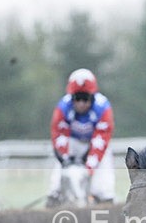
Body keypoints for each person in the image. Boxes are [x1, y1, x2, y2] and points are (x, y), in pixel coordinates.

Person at [47, 68, 115, 206]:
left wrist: (89, 168)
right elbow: (59, 135)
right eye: (77, 98)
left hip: (95, 145)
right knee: (58, 177)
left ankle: (105, 200)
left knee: (104, 184)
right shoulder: (62, 107)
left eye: (86, 98)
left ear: (93, 97)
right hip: (72, 143)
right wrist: (66, 161)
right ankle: (53, 197)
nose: (81, 103)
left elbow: (101, 139)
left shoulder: (103, 108)